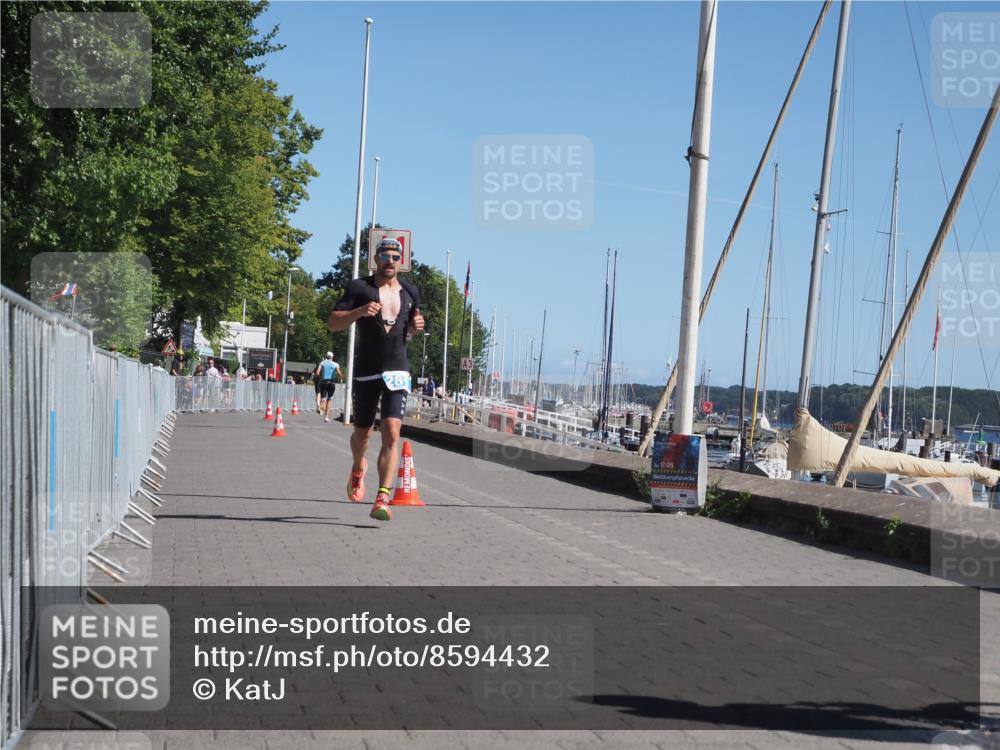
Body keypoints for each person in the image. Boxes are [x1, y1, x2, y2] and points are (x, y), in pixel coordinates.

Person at [328, 237, 424, 521]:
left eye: (395, 257)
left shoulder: (410, 291)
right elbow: (333, 323)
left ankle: (382, 496)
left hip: (397, 369)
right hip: (367, 369)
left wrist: (418, 327)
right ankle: (358, 468)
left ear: (401, 261)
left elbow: (411, 328)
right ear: (376, 260)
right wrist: (358, 312)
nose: (390, 261)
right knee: (363, 433)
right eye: (385, 256)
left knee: (393, 432)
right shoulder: (360, 287)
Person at [315, 351, 342, 423]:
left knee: (323, 398)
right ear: (332, 357)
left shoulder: (322, 363)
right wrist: (341, 378)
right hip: (332, 383)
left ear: (326, 356)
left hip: (324, 382)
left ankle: (320, 407)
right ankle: (326, 417)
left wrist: (319, 376)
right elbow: (339, 373)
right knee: (329, 400)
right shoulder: (336, 364)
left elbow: (317, 372)